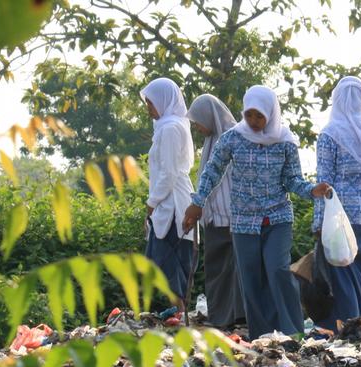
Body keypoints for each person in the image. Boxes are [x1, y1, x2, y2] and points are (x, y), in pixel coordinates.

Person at [182, 86, 331, 339]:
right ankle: (262, 335)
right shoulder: (233, 138)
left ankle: (292, 332)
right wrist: (198, 202)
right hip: (244, 220)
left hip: (277, 217)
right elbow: (212, 170)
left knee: (278, 271)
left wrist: (311, 190)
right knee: (250, 278)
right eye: (249, 115)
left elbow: (292, 180)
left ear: (270, 115)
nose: (253, 122)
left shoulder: (284, 141)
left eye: (259, 116)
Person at [311, 76, 361, 332]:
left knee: (341, 276)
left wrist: (319, 221)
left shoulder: (330, 134)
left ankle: (349, 330)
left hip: (339, 216)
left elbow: (324, 183)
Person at [186, 94, 246, 328]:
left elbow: (233, 182)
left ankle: (235, 318)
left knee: (233, 272)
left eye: (198, 121)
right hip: (215, 218)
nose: (197, 127)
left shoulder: (234, 138)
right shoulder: (212, 140)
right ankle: (221, 317)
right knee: (218, 272)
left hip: (231, 218)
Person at [141, 77, 196, 313]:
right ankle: (178, 311)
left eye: (151, 104)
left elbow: (170, 173)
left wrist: (152, 202)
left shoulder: (172, 129)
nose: (149, 110)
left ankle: (180, 311)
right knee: (162, 260)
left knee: (169, 260)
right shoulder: (167, 126)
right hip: (167, 201)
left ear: (164, 101)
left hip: (173, 203)